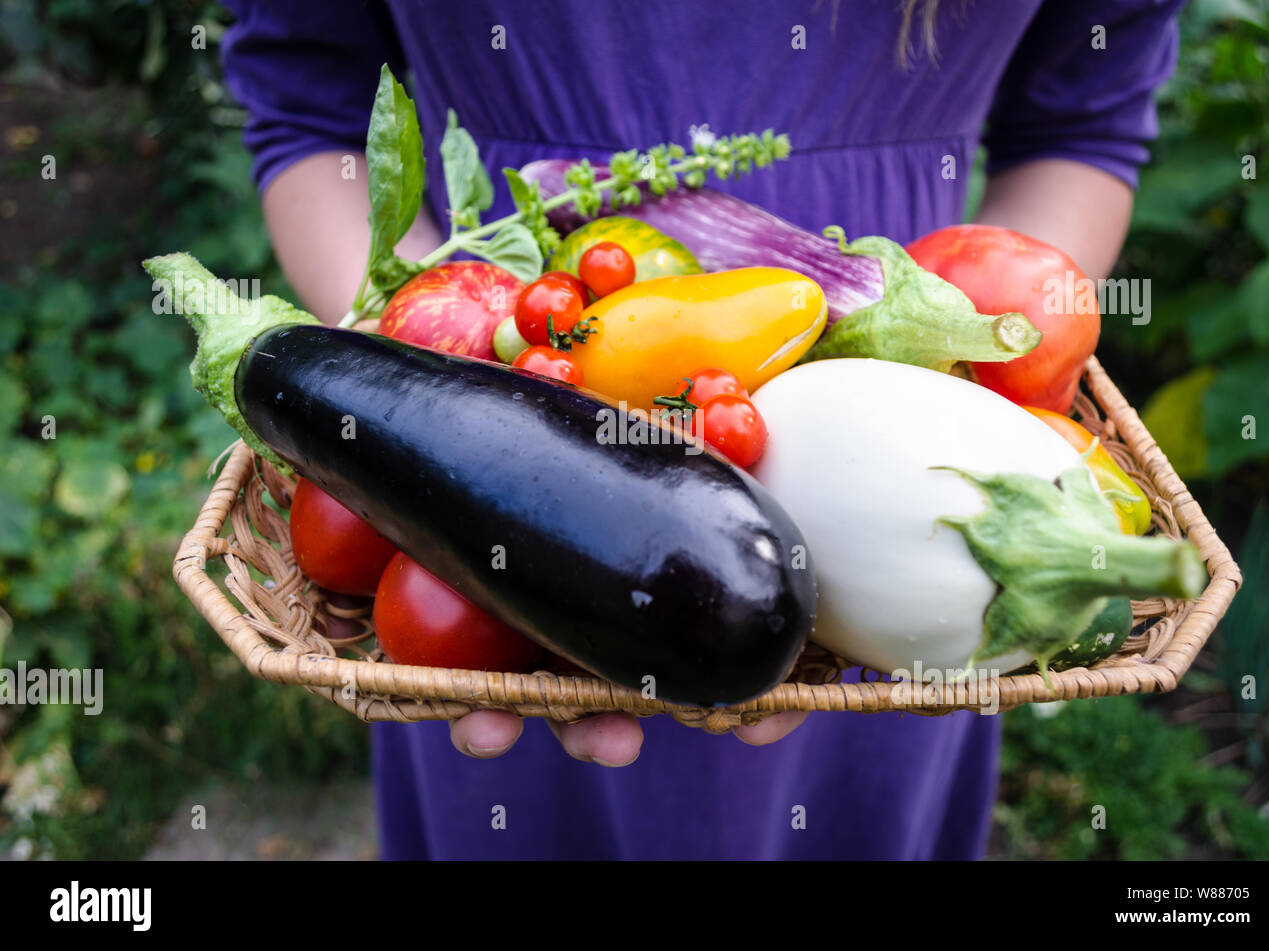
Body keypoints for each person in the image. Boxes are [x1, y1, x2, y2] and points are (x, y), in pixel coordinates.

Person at [219, 0, 1185, 859]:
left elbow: (1081, 121)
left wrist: (995, 366)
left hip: (921, 498)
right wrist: (430, 397)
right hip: (515, 430)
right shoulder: (516, 346)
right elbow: (311, 95)